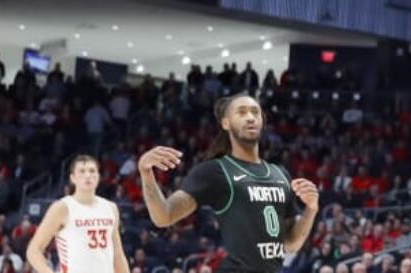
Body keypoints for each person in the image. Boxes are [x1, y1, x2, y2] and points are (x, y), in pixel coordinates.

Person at [137, 93, 320, 272]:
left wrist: (311, 209)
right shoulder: (215, 171)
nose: (250, 117)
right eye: (241, 112)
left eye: (255, 112)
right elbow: (164, 216)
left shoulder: (281, 174)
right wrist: (146, 172)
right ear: (226, 123)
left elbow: (291, 243)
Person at [26, 154, 129, 273]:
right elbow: (33, 250)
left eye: (92, 171)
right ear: (73, 178)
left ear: (98, 176)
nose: (88, 175)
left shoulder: (111, 208)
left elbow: (117, 255)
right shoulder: (62, 208)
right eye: (82, 171)